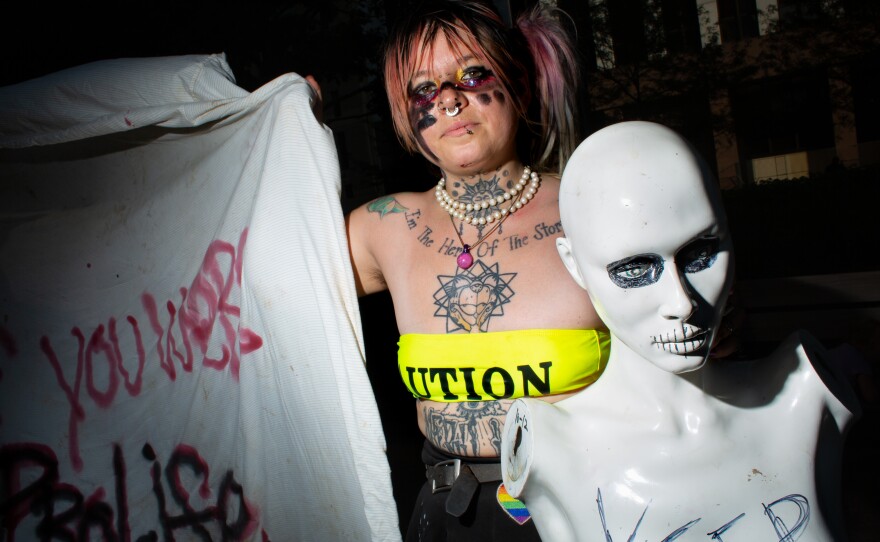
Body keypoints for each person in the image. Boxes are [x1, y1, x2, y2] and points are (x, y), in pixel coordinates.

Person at [500, 121, 861, 542]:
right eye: (634, 269)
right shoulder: (552, 447)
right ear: (574, 264)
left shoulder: (807, 395)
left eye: (702, 253)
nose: (682, 303)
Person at [344, 1, 607, 539]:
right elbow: (261, 278)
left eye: (472, 74)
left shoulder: (594, 206)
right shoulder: (383, 228)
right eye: (423, 90)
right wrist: (289, 128)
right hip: (444, 518)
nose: (448, 100)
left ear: (520, 87)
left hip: (586, 513)